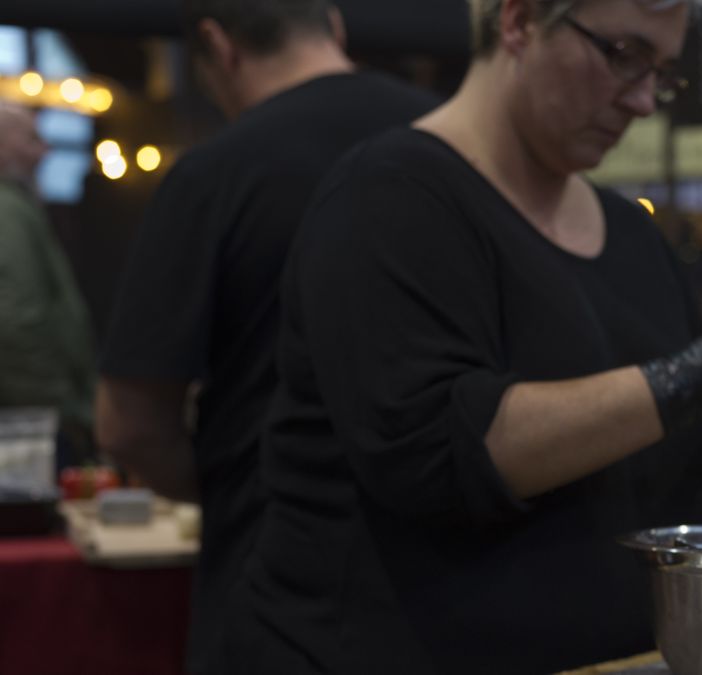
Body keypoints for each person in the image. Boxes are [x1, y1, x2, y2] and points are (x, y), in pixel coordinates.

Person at [223, 0, 702, 672]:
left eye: (663, 72)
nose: (646, 100)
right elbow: (441, 448)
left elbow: (677, 479)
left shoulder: (633, 237)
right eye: (624, 54)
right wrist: (681, 382)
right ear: (520, 21)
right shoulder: (390, 196)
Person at [94, 1, 438, 673]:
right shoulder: (452, 142)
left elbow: (128, 424)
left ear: (219, 47)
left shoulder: (211, 174)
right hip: (451, 579)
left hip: (273, 580)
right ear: (335, 26)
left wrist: (223, 485)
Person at [0, 102, 96, 466]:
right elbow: (14, 321)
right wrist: (65, 408)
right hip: (30, 421)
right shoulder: (6, 212)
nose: (44, 150)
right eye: (31, 139)